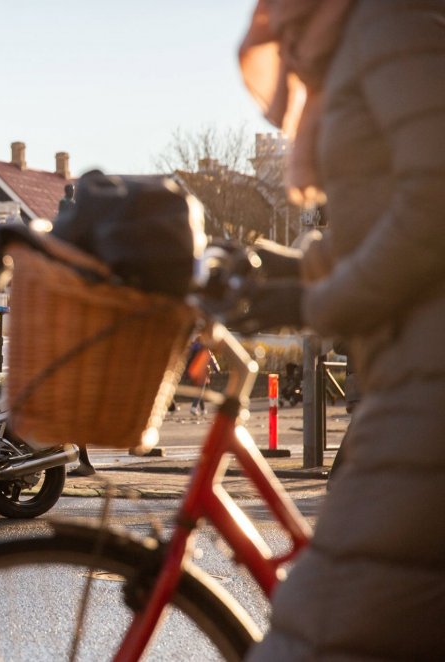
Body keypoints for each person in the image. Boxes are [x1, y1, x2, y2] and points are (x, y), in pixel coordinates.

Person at [239, 2, 445, 659]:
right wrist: (285, 275)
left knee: (325, 628)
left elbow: (435, 200)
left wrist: (323, 301)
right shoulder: (357, 40)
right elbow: (385, 216)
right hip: (408, 370)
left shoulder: (385, 27)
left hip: (429, 384)